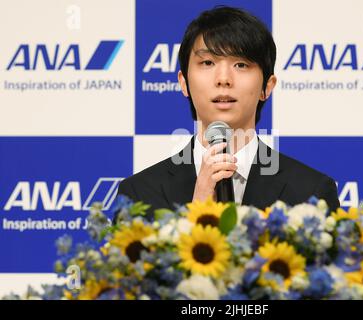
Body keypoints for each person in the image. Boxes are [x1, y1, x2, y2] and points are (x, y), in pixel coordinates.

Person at [117, 6, 339, 218]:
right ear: (184, 82)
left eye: (241, 65)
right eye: (207, 62)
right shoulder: (138, 194)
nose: (223, 79)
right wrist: (196, 214)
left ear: (267, 87)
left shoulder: (312, 193)